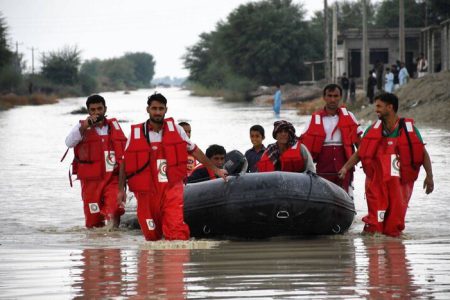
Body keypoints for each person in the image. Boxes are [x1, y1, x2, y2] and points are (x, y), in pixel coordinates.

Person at [118, 93, 227, 241]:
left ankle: (175, 261)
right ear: (148, 109)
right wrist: (120, 190)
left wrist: (216, 170)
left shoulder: (177, 130)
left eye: (160, 108)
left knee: (176, 232)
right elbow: (125, 161)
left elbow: (195, 151)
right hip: (147, 191)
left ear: (166, 110)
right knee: (151, 236)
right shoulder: (136, 133)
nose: (157, 112)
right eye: (154, 108)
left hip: (171, 187)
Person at [338, 93, 434, 237]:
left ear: (390, 107)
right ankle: (374, 247)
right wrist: (345, 168)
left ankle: (394, 251)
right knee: (375, 223)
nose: (376, 109)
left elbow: (423, 153)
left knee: (393, 225)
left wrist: (429, 177)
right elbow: (360, 153)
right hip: (376, 183)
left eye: (379, 106)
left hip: (399, 184)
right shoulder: (373, 129)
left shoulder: (409, 130)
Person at [64, 94, 127, 229]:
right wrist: (83, 127)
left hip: (112, 179)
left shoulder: (114, 127)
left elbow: (124, 156)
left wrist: (123, 187)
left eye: (99, 109)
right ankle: (96, 247)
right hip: (91, 182)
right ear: (88, 111)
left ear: (105, 109)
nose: (97, 112)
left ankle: (113, 245)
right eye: (93, 110)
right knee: (93, 223)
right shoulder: (81, 128)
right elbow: (69, 143)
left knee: (114, 209)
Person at [300, 83, 363, 193]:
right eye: (329, 96)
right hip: (322, 168)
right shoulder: (313, 119)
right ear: (324, 97)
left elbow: (361, 146)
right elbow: (303, 148)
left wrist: (366, 165)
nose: (332, 99)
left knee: (347, 197)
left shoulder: (350, 116)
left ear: (340, 97)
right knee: (323, 200)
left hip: (345, 166)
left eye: (335, 96)